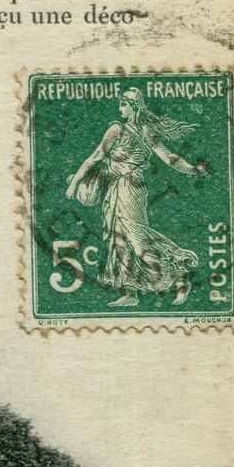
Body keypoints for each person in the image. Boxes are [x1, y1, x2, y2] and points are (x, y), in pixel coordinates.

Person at [65, 87, 207, 307]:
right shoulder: (118, 129)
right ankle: (131, 292)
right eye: (120, 104)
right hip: (116, 189)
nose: (120, 108)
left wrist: (192, 169)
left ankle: (180, 275)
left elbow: (169, 158)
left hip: (131, 189)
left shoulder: (136, 130)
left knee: (136, 239)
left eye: (124, 104)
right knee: (119, 240)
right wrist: (75, 184)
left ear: (135, 108)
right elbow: (96, 157)